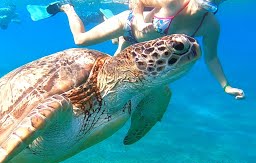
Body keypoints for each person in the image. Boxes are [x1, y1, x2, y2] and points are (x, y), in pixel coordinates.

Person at [44, 0, 244, 100]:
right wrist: (139, 21)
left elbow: (211, 58)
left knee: (108, 78)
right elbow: (136, 2)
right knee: (81, 40)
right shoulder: (173, 2)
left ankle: (113, 32)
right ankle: (67, 7)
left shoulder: (210, 25)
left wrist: (226, 86)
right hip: (129, 24)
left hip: (137, 47)